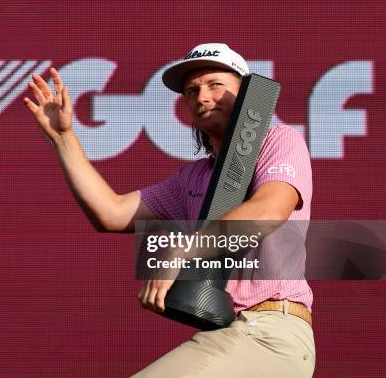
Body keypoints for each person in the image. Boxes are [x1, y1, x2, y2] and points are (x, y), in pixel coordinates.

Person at [24, 43, 315, 377]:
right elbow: (112, 213)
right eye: (192, 91)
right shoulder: (192, 178)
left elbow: (268, 210)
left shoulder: (278, 140)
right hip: (227, 333)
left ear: (246, 91)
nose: (202, 97)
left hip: (269, 332)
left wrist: (182, 252)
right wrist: (64, 138)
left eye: (215, 85)